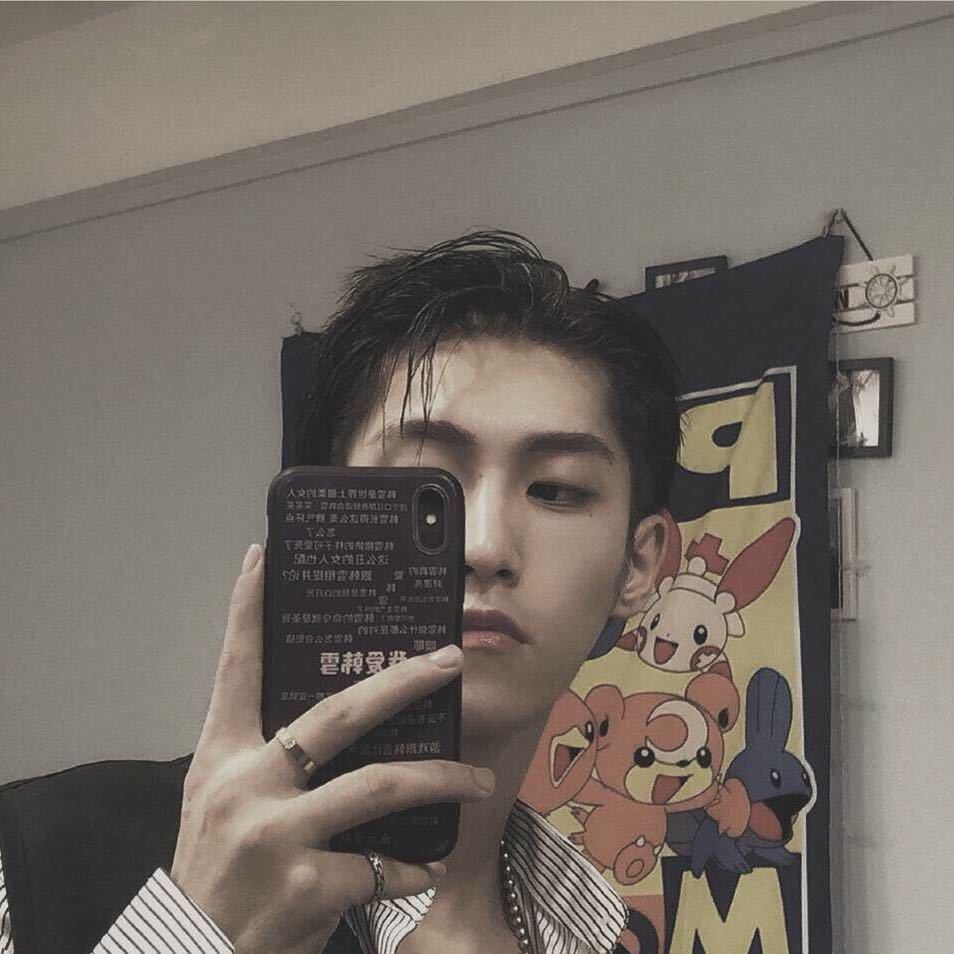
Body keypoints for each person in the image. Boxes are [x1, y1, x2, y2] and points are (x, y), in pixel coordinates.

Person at [0, 230, 682, 954]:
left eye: (557, 490)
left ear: (638, 565)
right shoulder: (39, 859)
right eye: (426, 486)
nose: (484, 546)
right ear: (319, 517)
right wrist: (197, 933)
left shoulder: (593, 933)